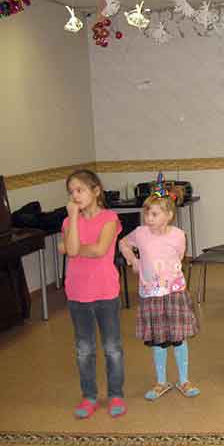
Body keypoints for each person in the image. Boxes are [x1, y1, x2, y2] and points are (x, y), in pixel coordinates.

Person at [119, 193, 200, 400]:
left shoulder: (179, 235)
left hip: (174, 293)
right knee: (157, 339)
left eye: (154, 214)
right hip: (151, 294)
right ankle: (161, 382)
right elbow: (123, 243)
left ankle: (184, 380)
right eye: (147, 213)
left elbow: (179, 257)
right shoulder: (140, 233)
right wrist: (133, 260)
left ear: (169, 215)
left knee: (178, 336)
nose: (149, 218)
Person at [59, 169, 126, 419]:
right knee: (84, 349)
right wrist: (73, 222)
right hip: (77, 293)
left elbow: (98, 250)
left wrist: (69, 248)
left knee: (112, 348)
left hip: (105, 291)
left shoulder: (110, 217)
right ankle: (88, 396)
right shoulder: (68, 221)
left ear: (96, 191)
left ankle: (116, 393)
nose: (75, 196)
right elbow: (73, 248)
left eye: (80, 190)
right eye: (71, 192)